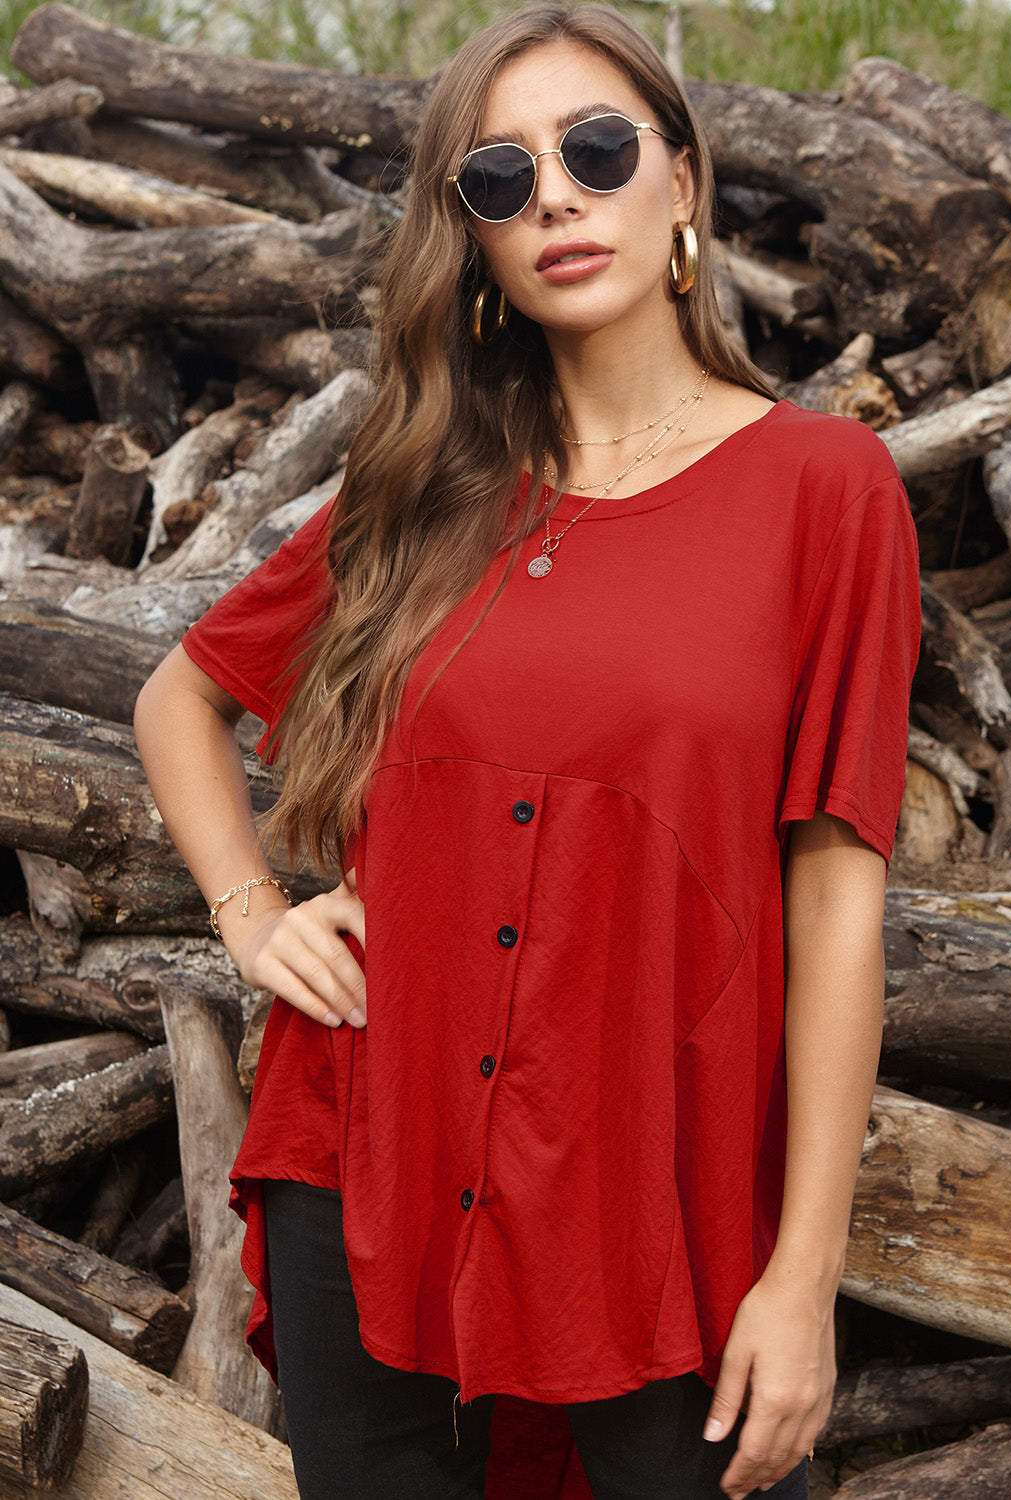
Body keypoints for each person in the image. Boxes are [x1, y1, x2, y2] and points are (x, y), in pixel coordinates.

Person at [134, 6, 920, 1498]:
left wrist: (802, 1275)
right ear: (474, 237)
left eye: (597, 149)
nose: (554, 195)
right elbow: (180, 699)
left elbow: (834, 898)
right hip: (367, 1152)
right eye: (498, 178)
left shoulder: (826, 490)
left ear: (683, 183)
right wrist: (252, 915)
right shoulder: (427, 483)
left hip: (654, 1199)